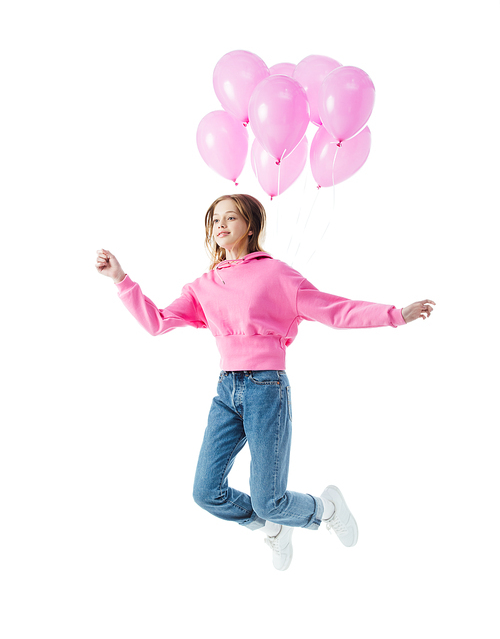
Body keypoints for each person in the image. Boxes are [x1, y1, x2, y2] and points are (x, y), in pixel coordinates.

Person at [95, 193, 435, 572]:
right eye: (215, 219)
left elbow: (333, 309)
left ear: (250, 227)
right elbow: (157, 322)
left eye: (231, 218)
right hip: (226, 390)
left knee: (269, 498)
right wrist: (120, 280)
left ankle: (327, 507)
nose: (221, 225)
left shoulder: (275, 274)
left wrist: (395, 315)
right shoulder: (203, 286)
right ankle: (273, 527)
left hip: (265, 388)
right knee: (206, 493)